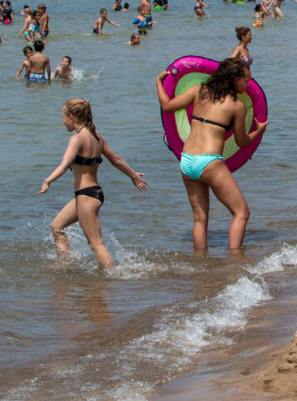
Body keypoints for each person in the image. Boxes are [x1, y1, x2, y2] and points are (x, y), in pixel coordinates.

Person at [156, 58, 268, 250]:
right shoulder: (236, 106)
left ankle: (201, 268)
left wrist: (158, 82)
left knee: (200, 219)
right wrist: (259, 131)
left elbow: (167, 106)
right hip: (209, 162)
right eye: (245, 80)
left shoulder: (199, 90)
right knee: (241, 212)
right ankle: (235, 261)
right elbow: (241, 142)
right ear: (234, 79)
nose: (247, 84)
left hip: (187, 161)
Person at [38, 99, 148, 270]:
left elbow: (64, 164)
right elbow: (116, 159)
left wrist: (48, 180)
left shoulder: (77, 139)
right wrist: (132, 175)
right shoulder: (96, 136)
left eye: (63, 117)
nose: (62, 121)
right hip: (93, 193)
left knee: (96, 243)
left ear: (72, 117)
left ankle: (111, 276)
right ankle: (65, 266)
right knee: (57, 227)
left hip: (86, 196)